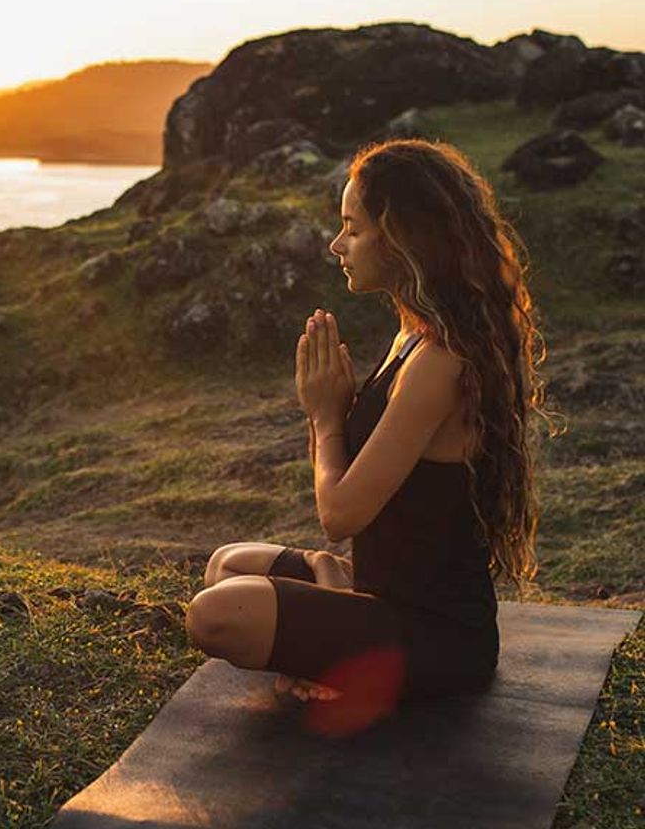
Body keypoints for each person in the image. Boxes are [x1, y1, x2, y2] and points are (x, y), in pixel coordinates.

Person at [184, 137, 555, 721]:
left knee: (216, 615)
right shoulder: (412, 333)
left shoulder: (441, 361)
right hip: (381, 592)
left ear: (401, 236)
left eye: (352, 228)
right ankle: (340, 604)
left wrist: (325, 415)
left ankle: (350, 651)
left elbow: (340, 516)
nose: (337, 245)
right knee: (228, 563)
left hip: (437, 636)